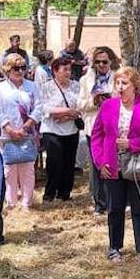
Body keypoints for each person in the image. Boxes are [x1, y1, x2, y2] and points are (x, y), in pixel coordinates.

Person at [90, 66, 140, 267]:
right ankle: (114, 247)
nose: (120, 87)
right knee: (115, 208)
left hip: (139, 164)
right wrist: (100, 161)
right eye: (118, 83)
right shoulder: (108, 106)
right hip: (113, 165)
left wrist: (133, 143)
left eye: (125, 83)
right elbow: (97, 136)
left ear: (135, 86)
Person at [0, 53, 39, 211]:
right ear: (7, 69)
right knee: (10, 169)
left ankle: (27, 202)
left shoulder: (32, 86)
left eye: (23, 68)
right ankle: (11, 202)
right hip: (7, 134)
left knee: (28, 168)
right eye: (16, 68)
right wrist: (10, 129)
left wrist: (25, 127)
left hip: (28, 132)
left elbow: (38, 108)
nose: (20, 71)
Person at [35, 56, 84, 203]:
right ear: (55, 71)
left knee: (69, 163)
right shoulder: (46, 87)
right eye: (64, 69)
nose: (68, 72)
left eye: (69, 69)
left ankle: (65, 193)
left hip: (71, 129)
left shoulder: (77, 86)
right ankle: (49, 194)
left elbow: (81, 106)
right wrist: (66, 111)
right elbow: (44, 108)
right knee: (54, 162)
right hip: (52, 130)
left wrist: (68, 115)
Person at [80, 47, 118, 214]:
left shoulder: (118, 78)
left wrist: (111, 100)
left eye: (105, 61)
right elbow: (79, 105)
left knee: (112, 163)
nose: (101, 65)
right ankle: (99, 203)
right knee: (97, 165)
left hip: (113, 126)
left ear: (111, 62)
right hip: (93, 126)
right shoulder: (85, 80)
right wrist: (93, 101)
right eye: (98, 62)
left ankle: (114, 201)